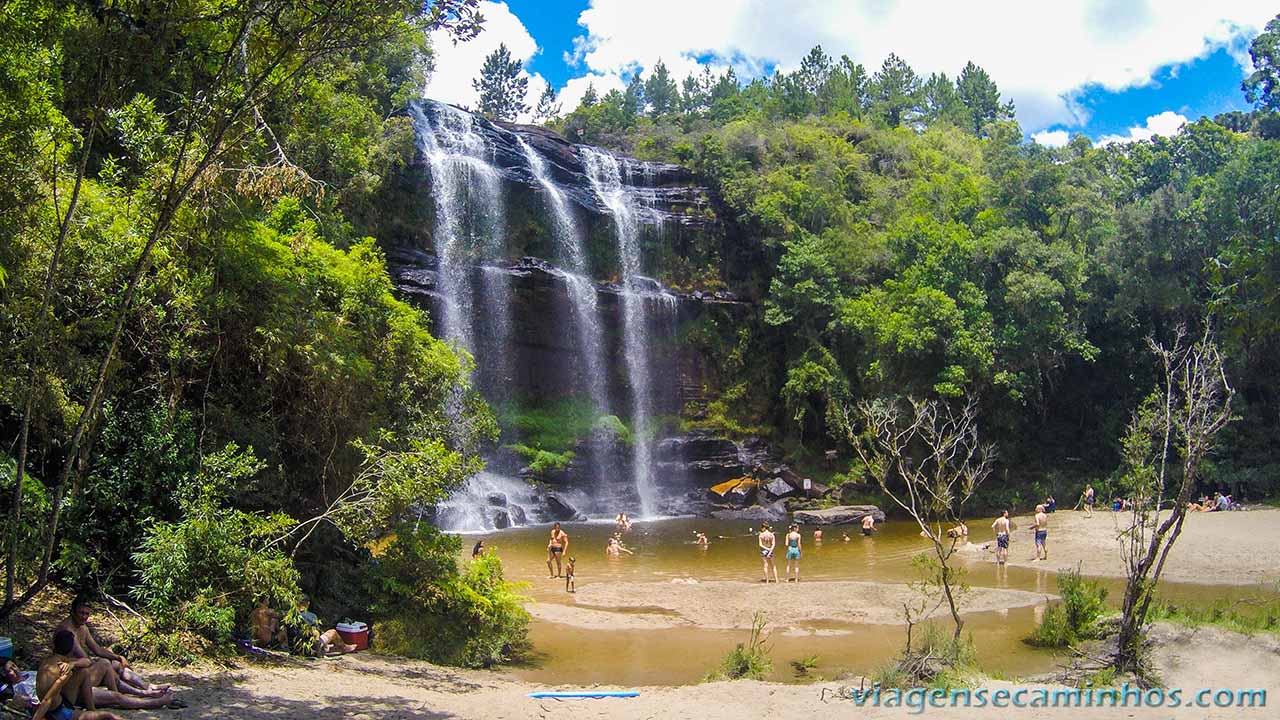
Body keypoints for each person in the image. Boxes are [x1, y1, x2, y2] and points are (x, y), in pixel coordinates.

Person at [57, 597, 166, 698]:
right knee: (105, 664)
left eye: (87, 614)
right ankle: (142, 693)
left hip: (84, 668)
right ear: (72, 612)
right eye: (81, 613)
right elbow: (85, 659)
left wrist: (118, 657)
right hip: (74, 676)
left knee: (116, 664)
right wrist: (103, 666)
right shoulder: (67, 630)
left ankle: (147, 686)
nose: (84, 617)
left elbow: (97, 649)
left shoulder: (83, 627)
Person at [32, 631, 124, 720]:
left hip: (55, 705)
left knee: (84, 672)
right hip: (59, 712)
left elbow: (87, 662)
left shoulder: (46, 662)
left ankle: (91, 710)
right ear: (71, 650)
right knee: (107, 715)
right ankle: (92, 710)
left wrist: (73, 664)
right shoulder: (63, 671)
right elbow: (47, 700)